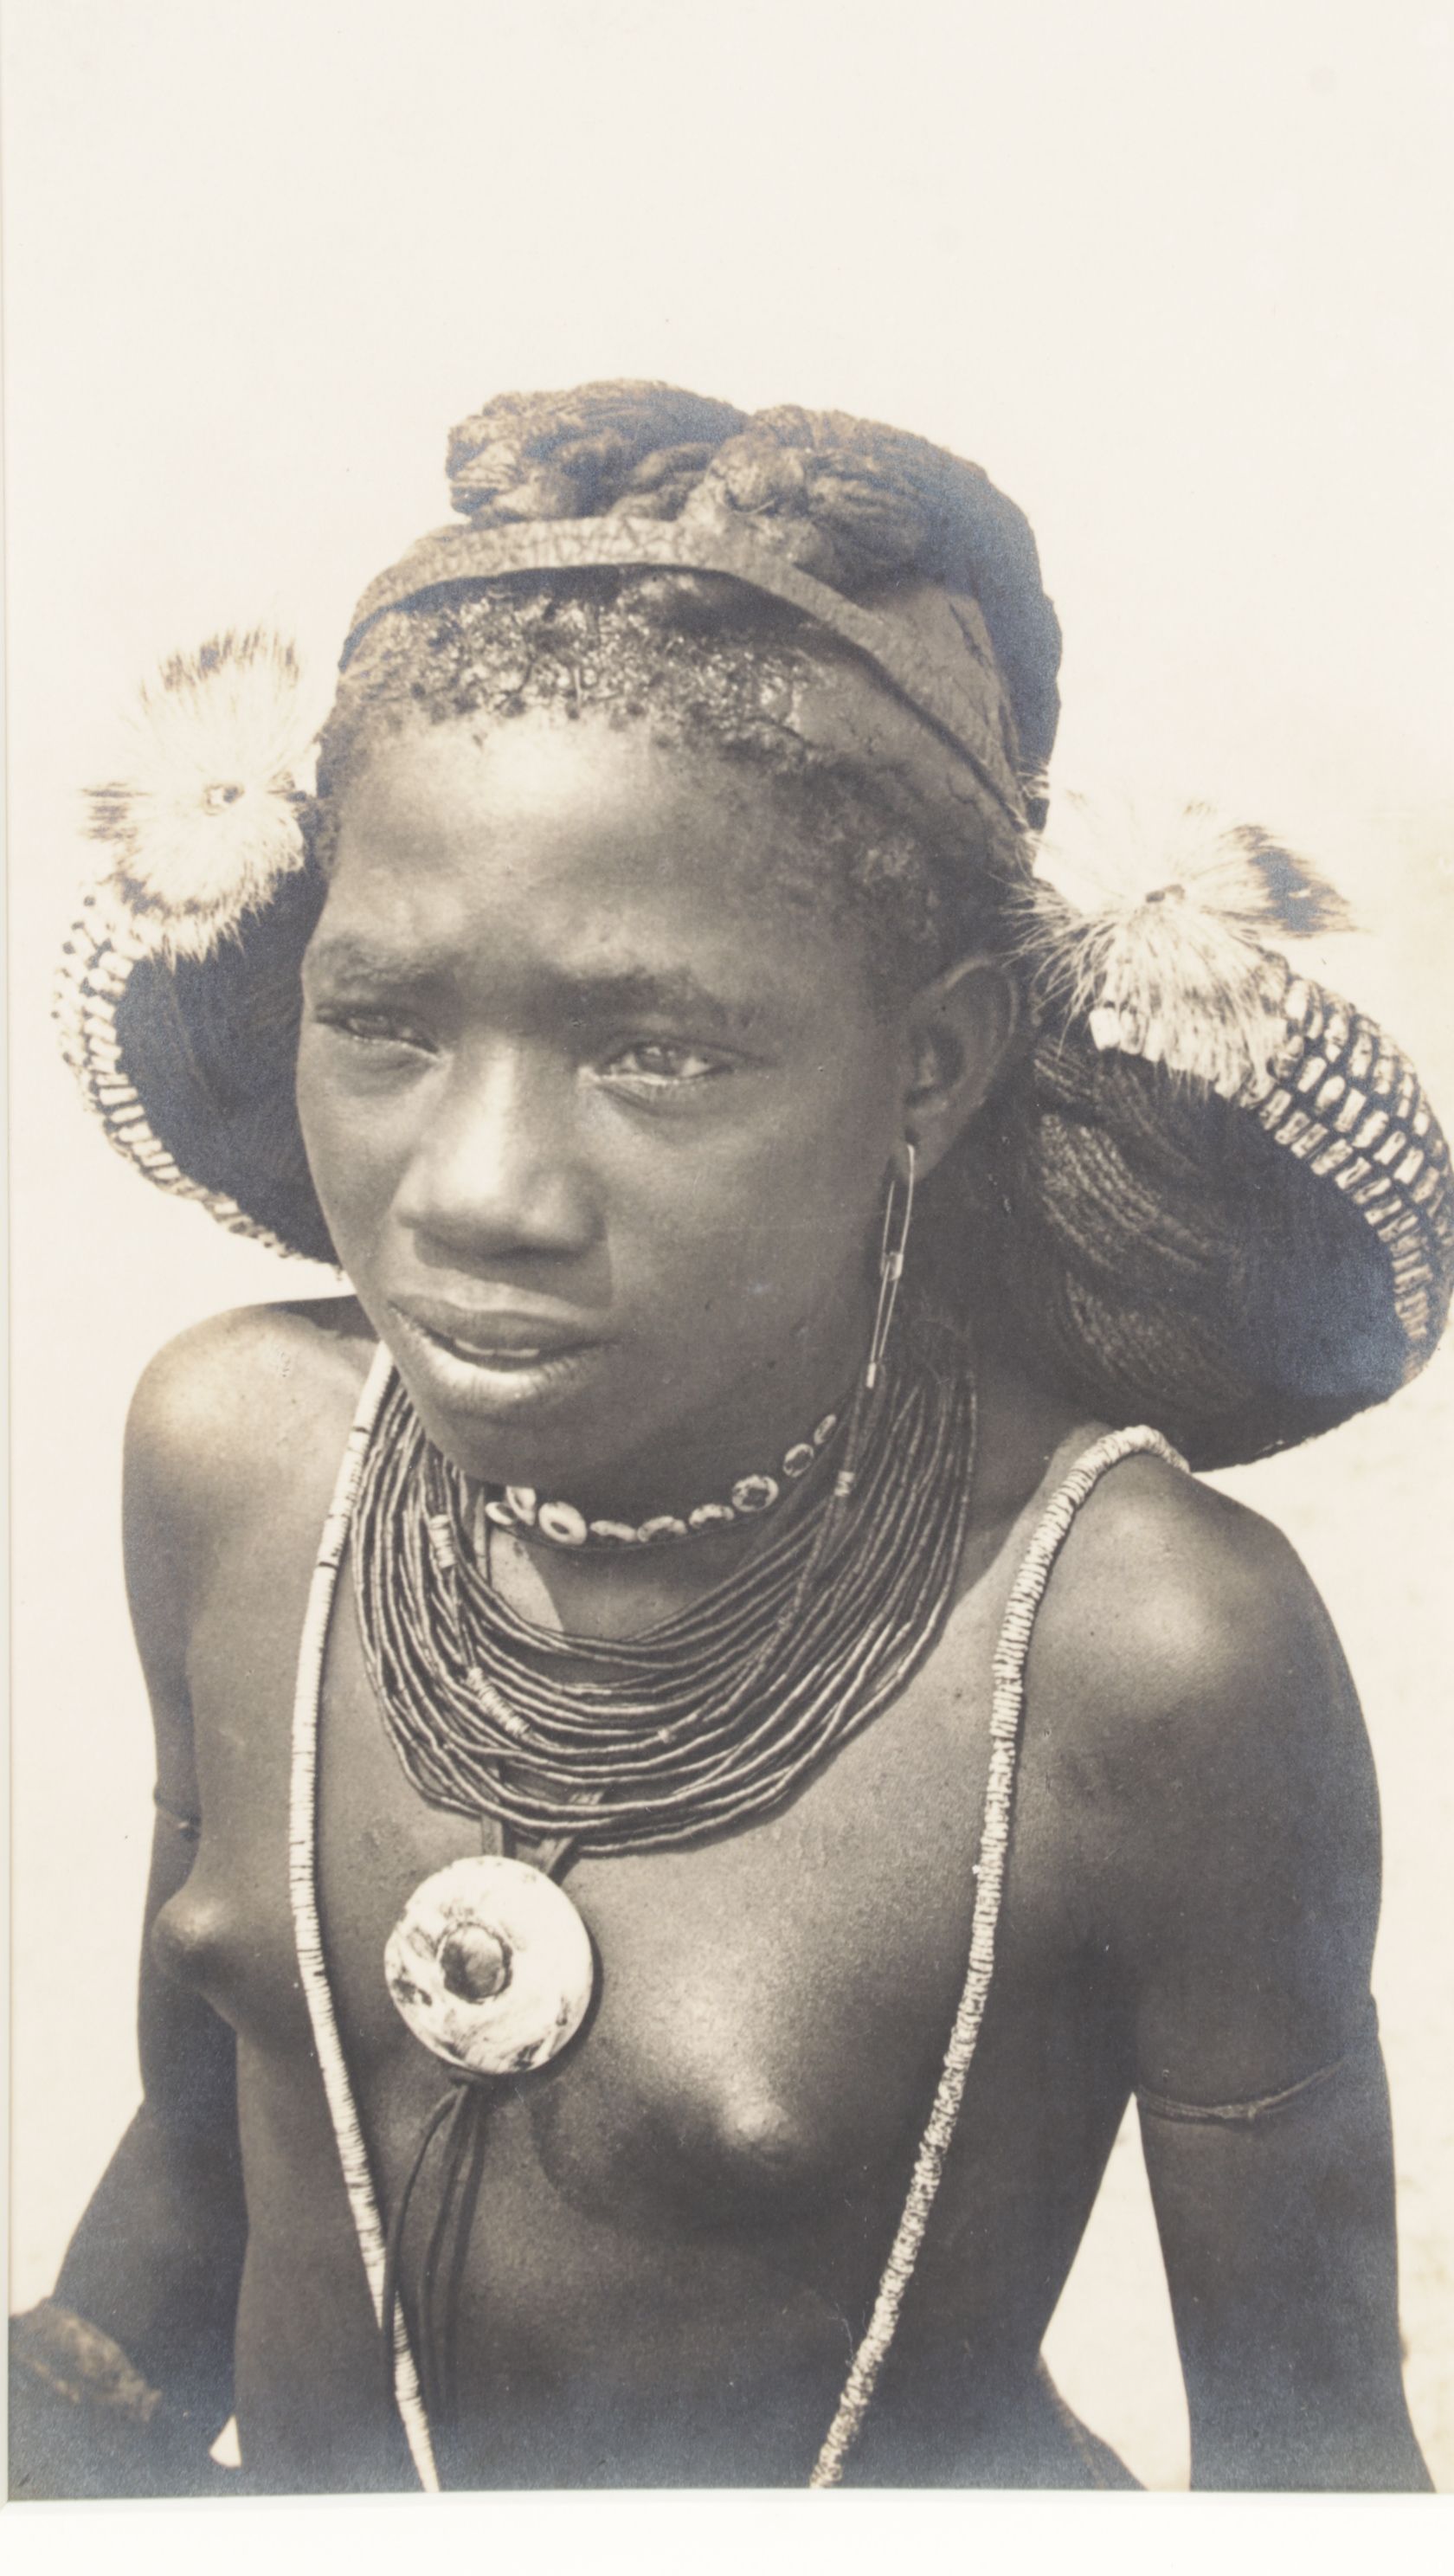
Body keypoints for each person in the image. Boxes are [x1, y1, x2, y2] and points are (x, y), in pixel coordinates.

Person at [13, 383, 1451, 2497]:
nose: (479, 1187)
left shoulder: (1142, 1651)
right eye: (386, 1023)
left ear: (934, 1070)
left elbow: (1315, 2471)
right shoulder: (236, 1461)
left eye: (659, 1050)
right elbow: (214, 2151)